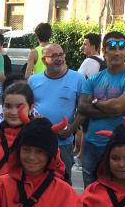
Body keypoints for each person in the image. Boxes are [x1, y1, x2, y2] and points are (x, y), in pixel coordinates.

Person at [77, 31, 125, 187]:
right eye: (112, 47)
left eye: (122, 47)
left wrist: (94, 101)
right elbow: (82, 106)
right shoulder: (94, 78)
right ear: (104, 50)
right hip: (91, 144)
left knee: (115, 192)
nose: (117, 52)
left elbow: (119, 106)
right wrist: (110, 109)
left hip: (118, 147)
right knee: (91, 191)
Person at [28, 42, 84, 180]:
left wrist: (72, 127)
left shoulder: (78, 78)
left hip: (63, 143)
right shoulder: (33, 80)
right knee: (36, 180)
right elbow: (26, 108)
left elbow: (83, 109)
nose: (59, 59)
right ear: (43, 60)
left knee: (63, 180)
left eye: (61, 55)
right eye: (54, 56)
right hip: (38, 142)